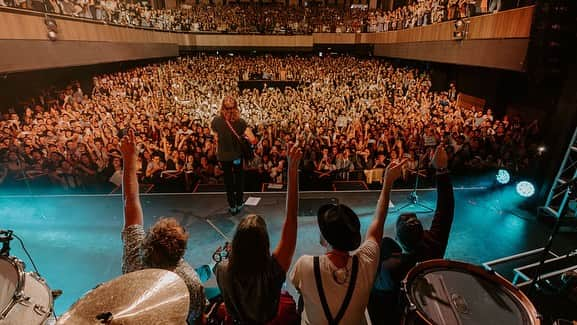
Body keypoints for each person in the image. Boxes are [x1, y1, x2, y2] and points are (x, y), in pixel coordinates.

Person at [291, 159, 406, 325]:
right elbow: (378, 223)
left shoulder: (305, 265)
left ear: (325, 238)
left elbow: (298, 288)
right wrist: (387, 182)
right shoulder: (367, 262)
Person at [119, 129, 205, 324]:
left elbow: (130, 201)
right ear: (179, 255)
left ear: (149, 240)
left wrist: (129, 160)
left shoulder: (135, 254)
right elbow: (198, 319)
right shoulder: (189, 280)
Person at [214, 143, 302, 324]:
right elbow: (292, 218)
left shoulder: (222, 270)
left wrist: (230, 254)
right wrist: (292, 170)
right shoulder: (274, 270)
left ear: (236, 242)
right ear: (265, 243)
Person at [368, 145, 454, 324]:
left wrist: (387, 184)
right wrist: (442, 170)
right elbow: (445, 210)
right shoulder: (434, 245)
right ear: (423, 232)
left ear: (398, 240)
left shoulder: (390, 269)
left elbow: (376, 230)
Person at [211, 96, 257, 215]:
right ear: (236, 107)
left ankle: (232, 206)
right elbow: (253, 139)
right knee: (239, 179)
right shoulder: (240, 122)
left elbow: (215, 136)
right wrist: (244, 138)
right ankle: (239, 203)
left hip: (224, 157)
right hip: (236, 156)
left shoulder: (216, 121)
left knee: (228, 181)